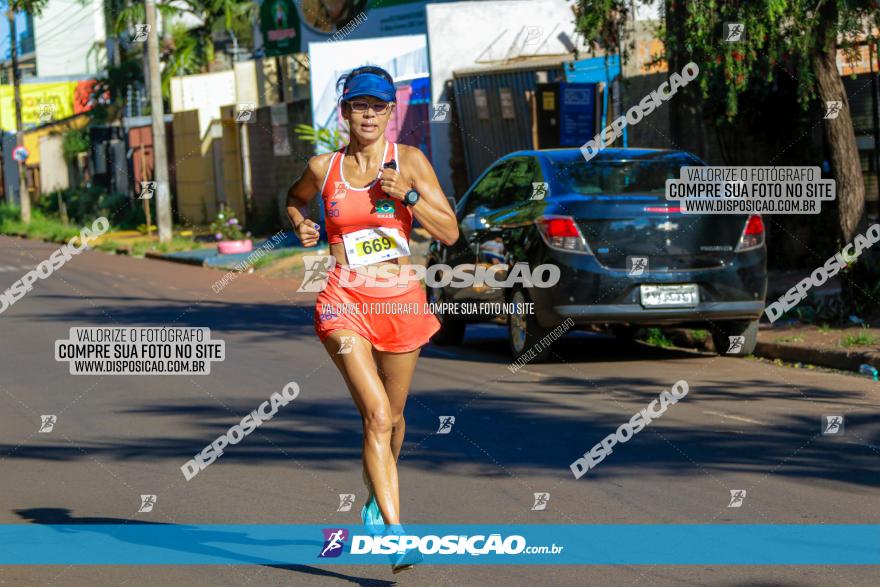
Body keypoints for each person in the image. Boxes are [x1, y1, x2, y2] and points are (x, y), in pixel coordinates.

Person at [286, 65, 459, 572]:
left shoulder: (410, 160)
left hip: (400, 298)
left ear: (391, 113)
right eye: (359, 105)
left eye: (378, 106)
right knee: (377, 415)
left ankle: (373, 502)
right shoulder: (324, 168)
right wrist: (301, 222)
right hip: (344, 297)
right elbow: (294, 200)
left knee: (396, 419)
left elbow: (448, 233)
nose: (368, 114)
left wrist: (406, 195)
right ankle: (395, 533)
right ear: (344, 112)